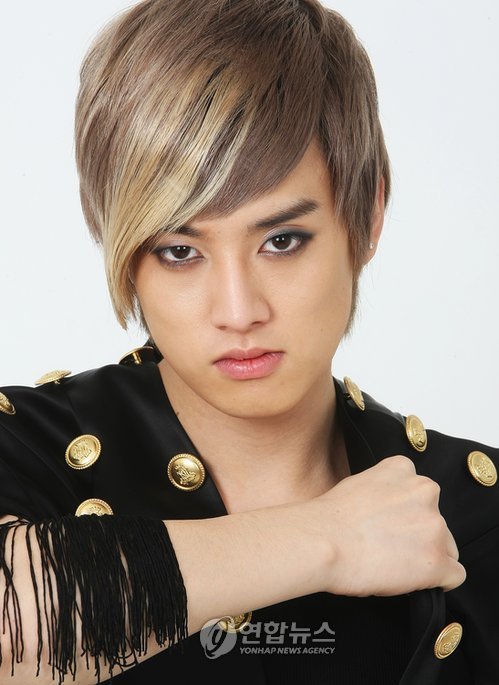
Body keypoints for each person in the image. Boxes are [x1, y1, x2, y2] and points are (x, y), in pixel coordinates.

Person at [0, 1, 497, 684]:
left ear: (368, 215)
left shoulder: (475, 510)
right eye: (179, 250)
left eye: (281, 240)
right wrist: (326, 538)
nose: (238, 311)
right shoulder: (28, 449)